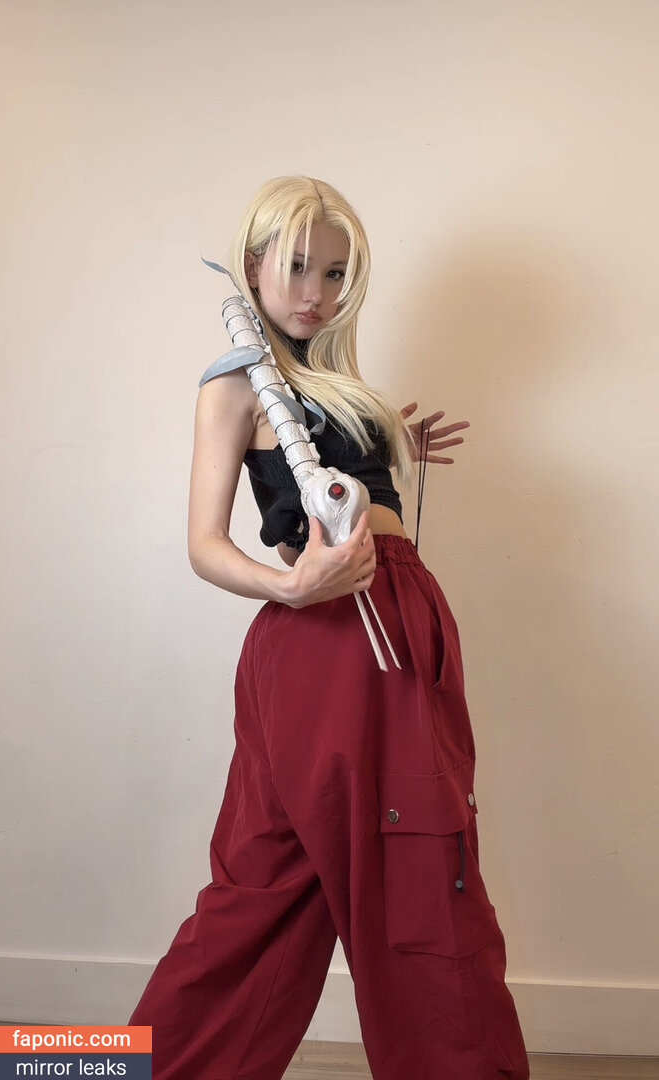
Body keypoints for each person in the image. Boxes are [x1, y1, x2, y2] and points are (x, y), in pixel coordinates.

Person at [127, 175, 530, 1080]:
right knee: (419, 878)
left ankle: (92, 1067)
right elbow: (203, 545)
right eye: (298, 266)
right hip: (340, 641)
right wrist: (291, 586)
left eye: (337, 273)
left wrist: (386, 446)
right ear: (253, 264)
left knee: (263, 885)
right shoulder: (236, 384)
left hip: (379, 623)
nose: (316, 291)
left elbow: (334, 493)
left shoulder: (325, 380)